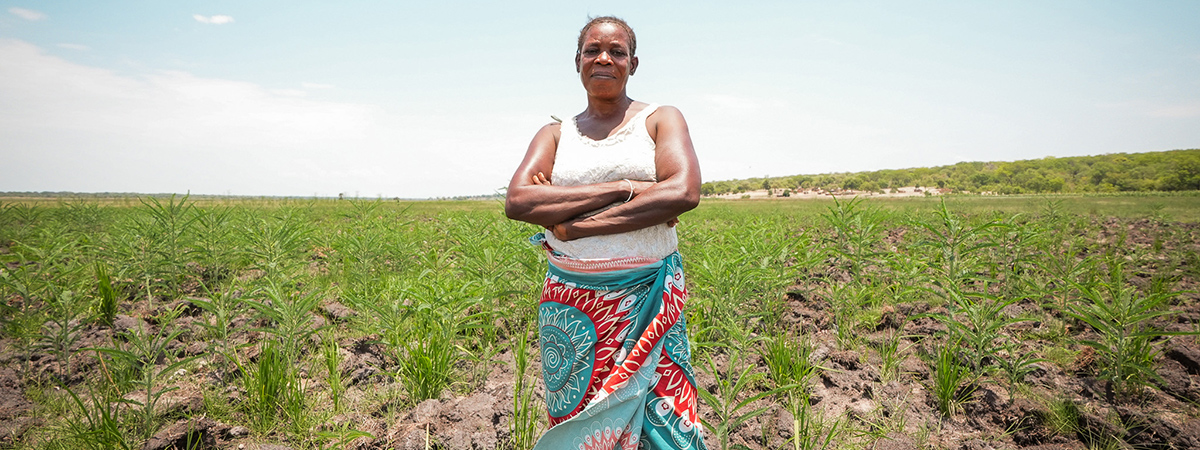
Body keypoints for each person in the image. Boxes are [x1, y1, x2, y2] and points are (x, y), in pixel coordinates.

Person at [505, 16, 708, 450]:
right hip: (573, 307)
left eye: (616, 51)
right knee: (581, 421)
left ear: (633, 64)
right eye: (592, 49)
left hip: (648, 296)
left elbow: (684, 190)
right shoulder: (556, 134)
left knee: (661, 422)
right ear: (576, 61)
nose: (604, 58)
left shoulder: (659, 119)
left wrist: (571, 224)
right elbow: (520, 202)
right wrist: (627, 188)